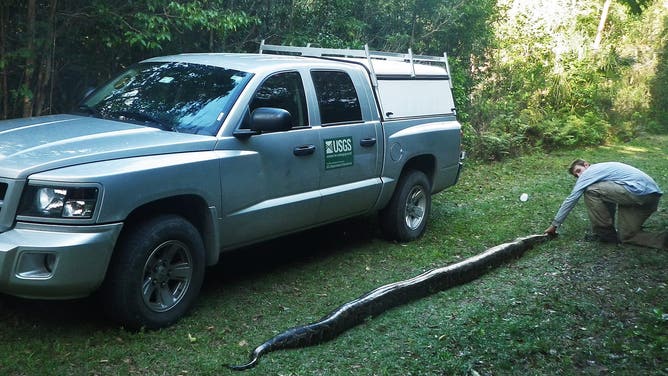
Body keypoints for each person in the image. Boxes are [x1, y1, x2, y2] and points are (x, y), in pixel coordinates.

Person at [544, 159, 667, 250]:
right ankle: (664, 240)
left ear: (586, 164)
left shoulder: (590, 171)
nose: (579, 175)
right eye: (576, 175)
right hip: (649, 196)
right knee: (626, 236)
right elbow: (610, 195)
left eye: (579, 170)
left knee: (591, 190)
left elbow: (571, 199)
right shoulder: (603, 172)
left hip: (638, 192)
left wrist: (554, 225)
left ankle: (604, 232)